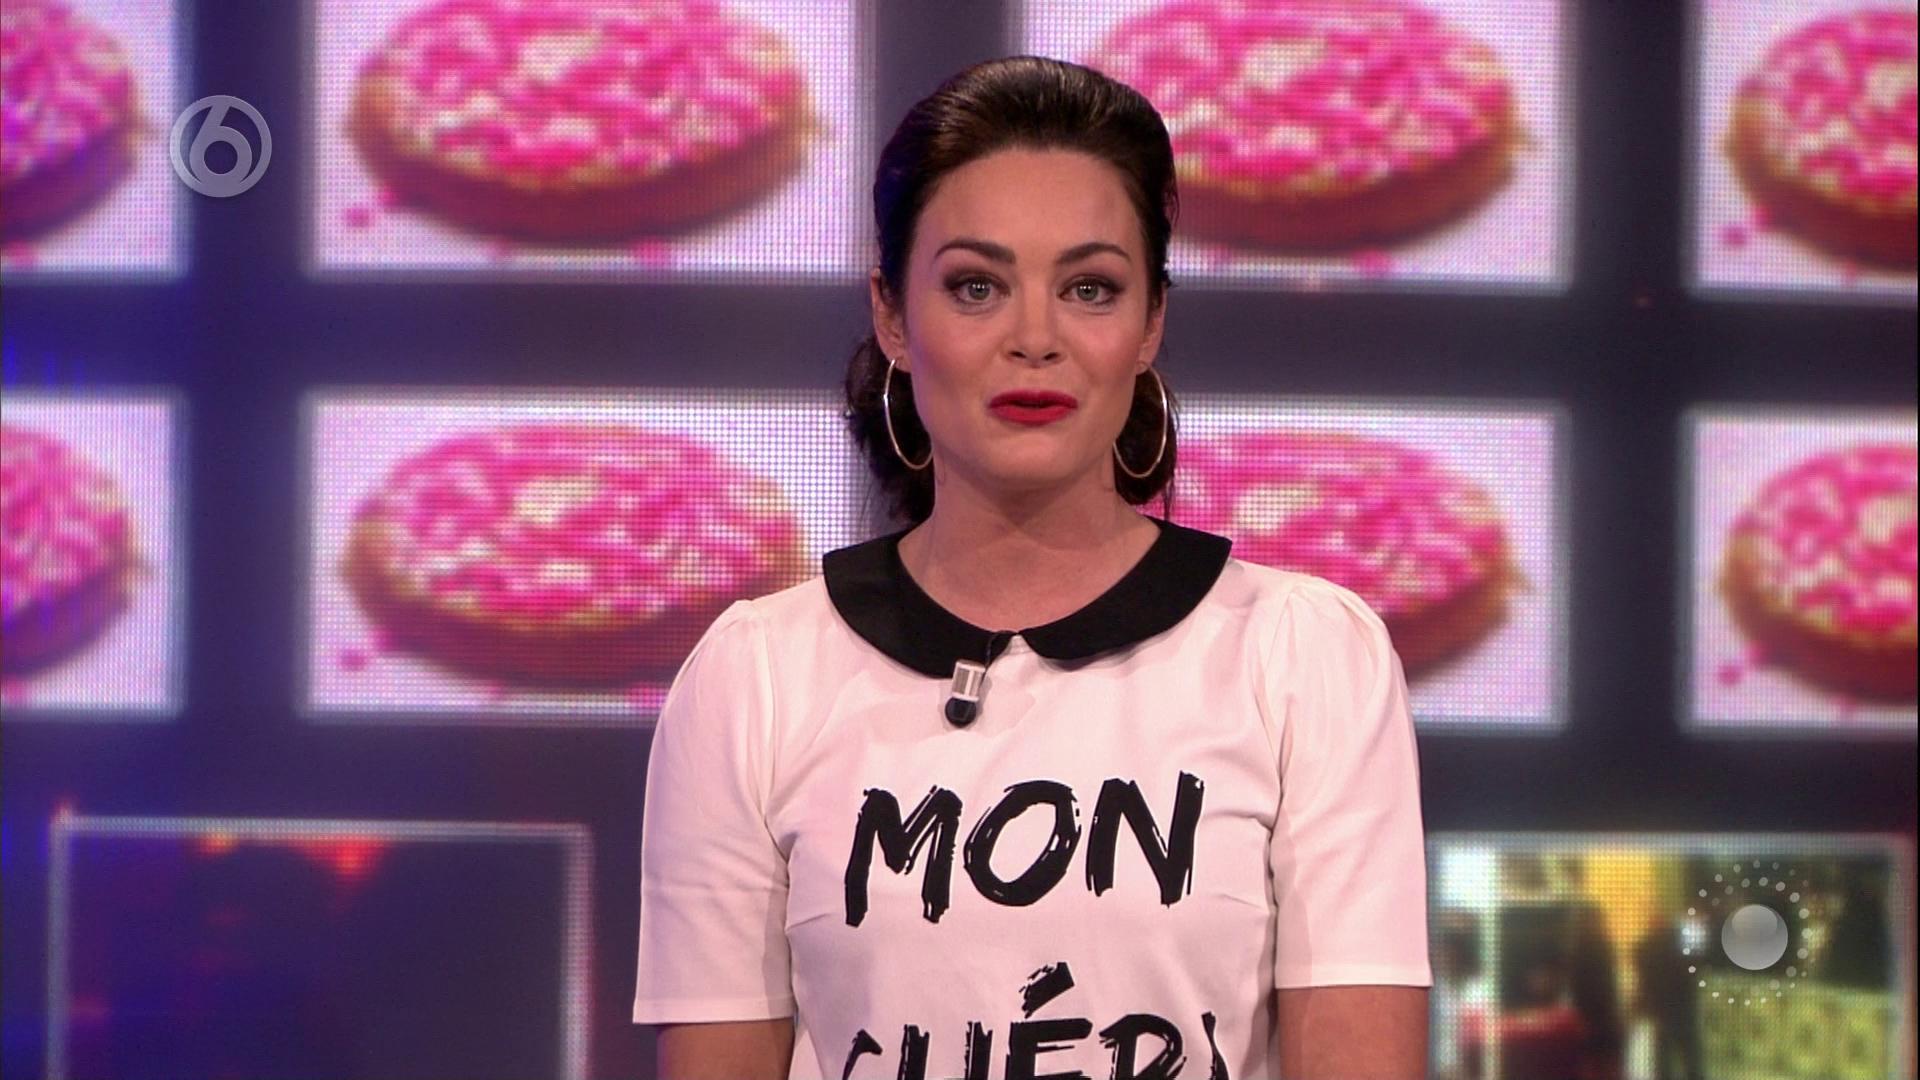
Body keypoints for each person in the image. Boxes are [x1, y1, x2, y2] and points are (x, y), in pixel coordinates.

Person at [633, 55, 1432, 1080]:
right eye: (977, 287)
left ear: (1150, 324)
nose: (1035, 338)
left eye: (1090, 289)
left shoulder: (1304, 659)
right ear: (892, 316)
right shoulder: (755, 676)